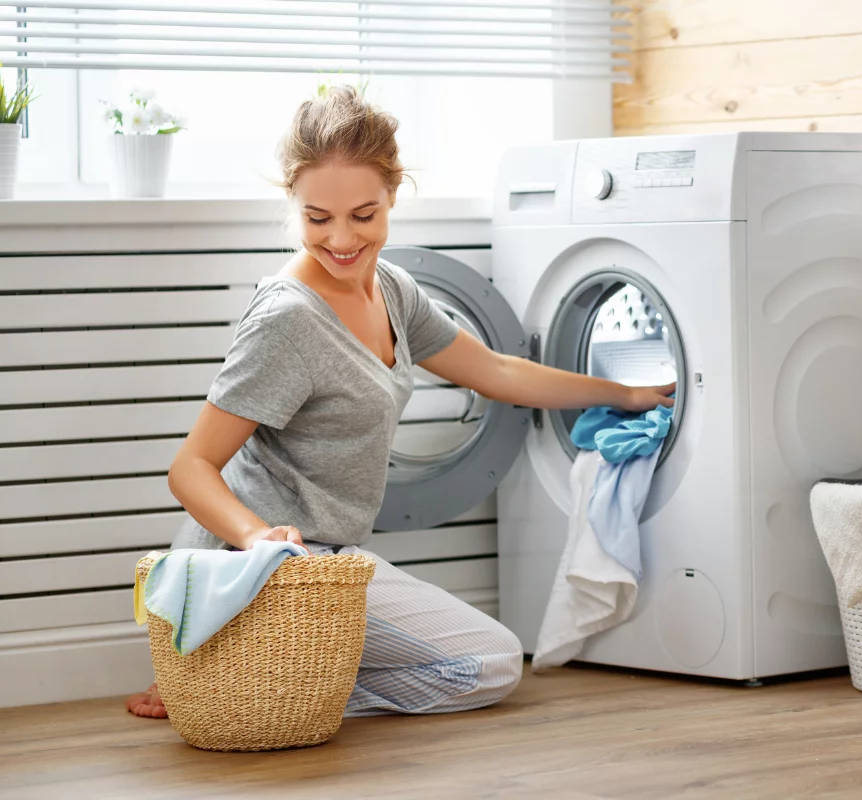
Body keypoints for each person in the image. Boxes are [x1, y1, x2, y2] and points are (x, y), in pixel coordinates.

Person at [126, 86, 674, 720]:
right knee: (491, 664)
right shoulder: (287, 320)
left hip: (331, 564)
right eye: (316, 217)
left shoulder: (391, 288)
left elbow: (494, 370)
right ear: (293, 206)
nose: (339, 239)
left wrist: (625, 393)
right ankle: (239, 687)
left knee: (486, 661)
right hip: (258, 568)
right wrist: (258, 539)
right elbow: (189, 467)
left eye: (363, 214)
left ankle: (245, 687)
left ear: (393, 195)